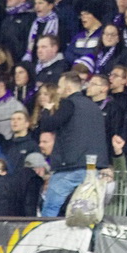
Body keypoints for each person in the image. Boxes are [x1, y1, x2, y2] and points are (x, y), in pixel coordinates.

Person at [36, 71, 109, 217]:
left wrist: (46, 110)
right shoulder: (94, 107)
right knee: (86, 211)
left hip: (70, 167)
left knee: (50, 207)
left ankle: (45, 232)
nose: (58, 91)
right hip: (92, 168)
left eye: (60, 87)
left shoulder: (69, 103)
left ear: (68, 88)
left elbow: (48, 125)